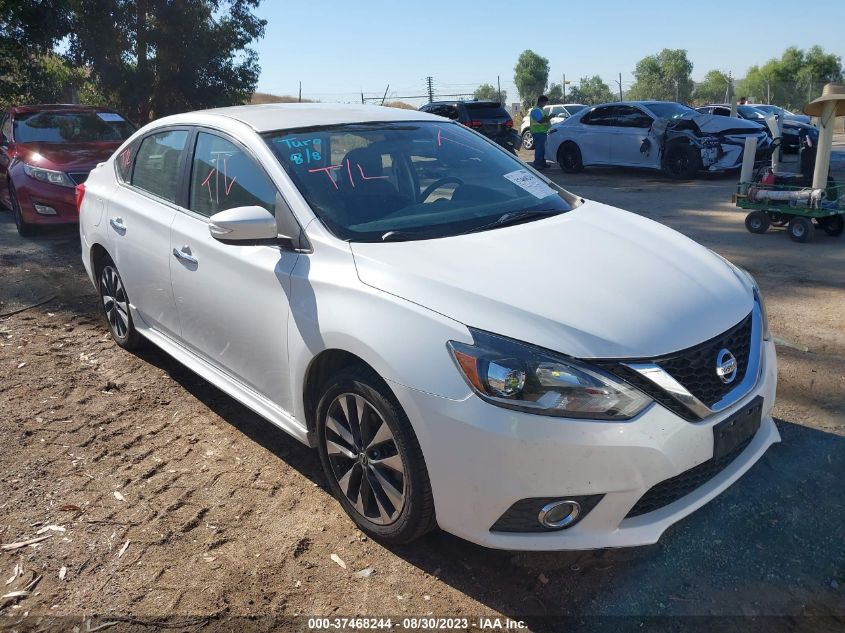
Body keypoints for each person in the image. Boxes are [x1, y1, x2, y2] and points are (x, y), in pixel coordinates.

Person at [528, 95, 551, 169]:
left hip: (542, 132)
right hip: (538, 132)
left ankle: (542, 163)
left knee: (542, 149)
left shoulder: (540, 109)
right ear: (541, 102)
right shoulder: (536, 110)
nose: (545, 104)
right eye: (545, 102)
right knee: (539, 148)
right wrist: (550, 117)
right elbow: (540, 120)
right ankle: (537, 164)